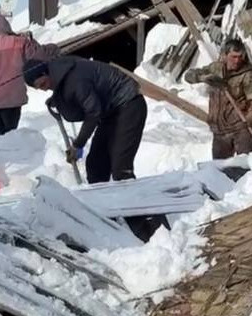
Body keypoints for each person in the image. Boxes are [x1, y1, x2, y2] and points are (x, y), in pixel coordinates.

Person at [23, 56, 159, 239]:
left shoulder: (75, 79)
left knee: (121, 169)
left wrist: (78, 144)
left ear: (45, 72)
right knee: (95, 166)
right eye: (38, 88)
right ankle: (108, 219)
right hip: (110, 111)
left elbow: (93, 111)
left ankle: (144, 227)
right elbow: (82, 101)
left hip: (129, 104)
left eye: (42, 83)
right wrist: (59, 100)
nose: (43, 88)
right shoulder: (61, 76)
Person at [0, 14, 58, 136]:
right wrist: (51, 49)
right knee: (11, 138)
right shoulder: (20, 42)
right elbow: (40, 56)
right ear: (6, 26)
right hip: (13, 99)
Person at [185, 39, 252, 159]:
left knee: (242, 169)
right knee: (219, 171)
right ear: (225, 56)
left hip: (240, 129)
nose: (237, 61)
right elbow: (188, 76)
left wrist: (250, 116)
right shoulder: (215, 68)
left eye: (240, 57)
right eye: (233, 57)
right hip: (219, 130)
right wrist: (203, 78)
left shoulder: (247, 75)